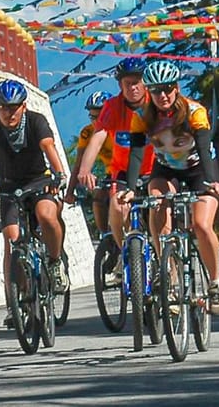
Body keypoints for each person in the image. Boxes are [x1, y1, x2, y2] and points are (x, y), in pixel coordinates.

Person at [133, 61, 219, 316]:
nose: (162, 96)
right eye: (155, 91)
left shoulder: (194, 111)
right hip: (166, 171)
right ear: (148, 93)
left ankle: (215, 284)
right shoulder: (143, 116)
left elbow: (206, 148)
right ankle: (170, 278)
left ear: (176, 88)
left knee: (201, 225)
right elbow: (136, 153)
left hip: (199, 170)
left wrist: (212, 182)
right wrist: (129, 187)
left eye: (167, 89)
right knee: (157, 203)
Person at [0, 79, 70, 326]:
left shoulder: (36, 121)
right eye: (3, 107)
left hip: (39, 181)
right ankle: (16, 302)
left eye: (14, 107)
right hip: (8, 186)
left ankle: (56, 261)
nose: (9, 112)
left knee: (47, 215)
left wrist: (59, 175)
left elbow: (48, 146)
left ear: (23, 106)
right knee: (11, 240)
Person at [70, 57, 155, 282]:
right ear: (120, 85)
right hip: (123, 171)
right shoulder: (112, 107)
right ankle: (126, 252)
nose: (133, 87)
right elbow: (98, 137)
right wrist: (85, 170)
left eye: (137, 82)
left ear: (145, 83)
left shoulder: (154, 103)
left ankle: (172, 278)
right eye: (128, 83)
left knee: (161, 221)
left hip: (156, 169)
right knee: (117, 209)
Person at [74, 90, 115, 238]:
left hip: (134, 171)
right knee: (99, 197)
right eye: (93, 117)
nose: (97, 121)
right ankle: (106, 236)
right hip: (112, 173)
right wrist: (70, 191)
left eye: (102, 116)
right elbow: (79, 163)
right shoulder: (87, 132)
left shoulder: (123, 127)